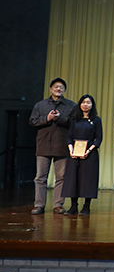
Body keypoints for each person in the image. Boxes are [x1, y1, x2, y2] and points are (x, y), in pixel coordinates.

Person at [28, 77, 77, 215]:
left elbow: (74, 124)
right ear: (50, 89)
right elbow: (32, 121)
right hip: (43, 145)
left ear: (64, 90)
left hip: (62, 145)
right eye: (56, 87)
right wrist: (47, 118)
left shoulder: (71, 106)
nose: (58, 89)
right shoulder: (40, 105)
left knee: (61, 177)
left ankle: (58, 205)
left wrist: (59, 119)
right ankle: (39, 205)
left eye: (61, 87)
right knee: (40, 178)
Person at [62, 95, 102, 215]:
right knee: (73, 179)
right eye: (83, 102)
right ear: (79, 104)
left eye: (88, 102)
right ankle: (73, 206)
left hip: (89, 154)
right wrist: (71, 150)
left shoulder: (96, 120)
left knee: (88, 180)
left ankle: (86, 206)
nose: (85, 105)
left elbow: (98, 138)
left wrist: (88, 151)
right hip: (74, 154)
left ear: (92, 105)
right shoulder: (75, 120)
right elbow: (69, 137)